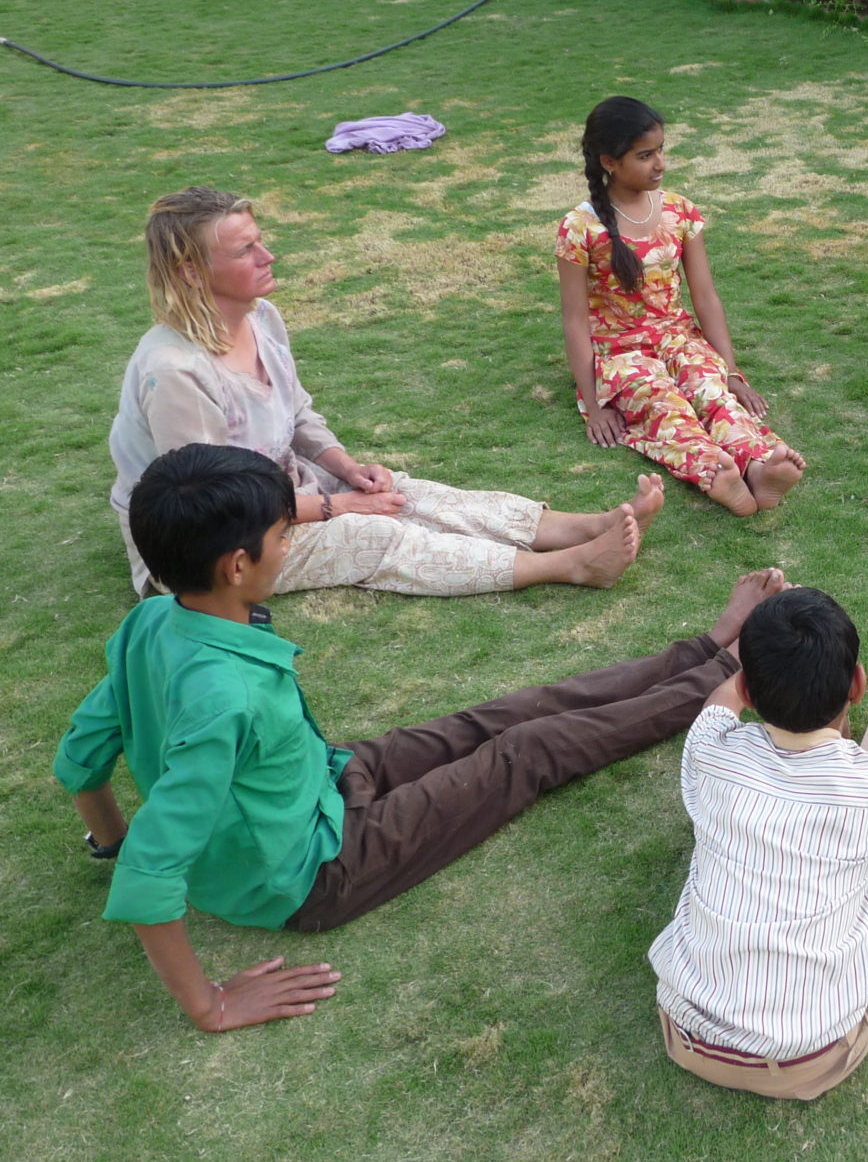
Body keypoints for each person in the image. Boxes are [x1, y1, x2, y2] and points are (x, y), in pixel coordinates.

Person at [55, 442, 787, 1032]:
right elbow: (150, 874)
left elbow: (80, 756)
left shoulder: (150, 621)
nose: (295, 540)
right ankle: (726, 673)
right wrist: (209, 1003)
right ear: (237, 565)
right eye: (284, 535)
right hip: (320, 870)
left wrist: (108, 836)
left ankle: (702, 652)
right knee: (525, 754)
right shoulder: (222, 696)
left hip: (328, 780)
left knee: (497, 720)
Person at [110, 186, 654, 599]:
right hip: (209, 548)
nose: (268, 256)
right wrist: (335, 506)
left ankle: (587, 527)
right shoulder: (175, 373)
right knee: (372, 536)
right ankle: (571, 565)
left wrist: (346, 469)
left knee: (407, 493)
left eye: (260, 241)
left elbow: (296, 413)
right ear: (189, 271)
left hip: (274, 485)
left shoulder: (262, 318)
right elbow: (213, 506)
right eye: (245, 250)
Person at [650, 587, 868, 1100]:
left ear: (744, 687)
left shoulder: (714, 753)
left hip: (684, 1033)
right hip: (809, 1059)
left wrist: (757, 649)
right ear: (856, 684)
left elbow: (715, 707)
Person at [559, 96, 806, 517]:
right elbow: (575, 321)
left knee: (713, 394)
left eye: (660, 151)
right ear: (609, 161)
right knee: (665, 407)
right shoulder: (580, 227)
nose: (660, 164)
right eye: (645, 155)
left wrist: (731, 371)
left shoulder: (679, 211)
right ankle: (718, 472)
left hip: (680, 340)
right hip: (621, 355)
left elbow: (705, 295)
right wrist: (595, 403)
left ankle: (760, 466)